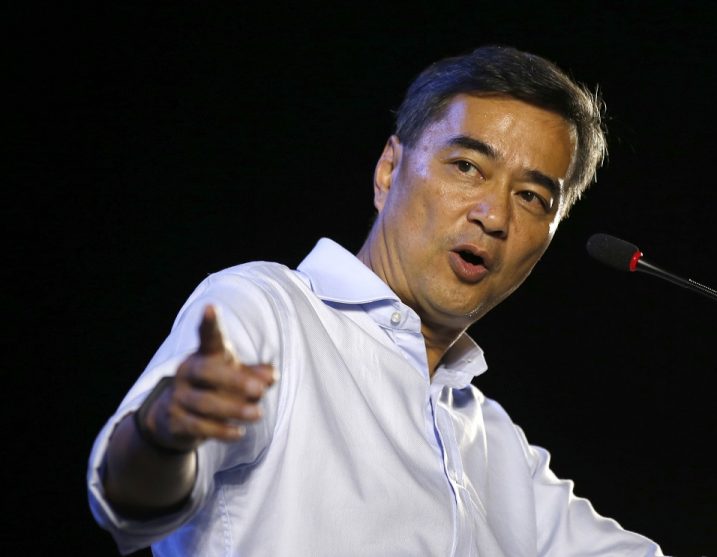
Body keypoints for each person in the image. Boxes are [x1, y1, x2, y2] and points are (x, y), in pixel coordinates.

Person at [88, 46, 665, 556]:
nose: (494, 216)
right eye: (467, 167)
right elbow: (128, 501)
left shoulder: (497, 443)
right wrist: (163, 435)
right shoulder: (270, 311)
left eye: (533, 196)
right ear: (389, 170)